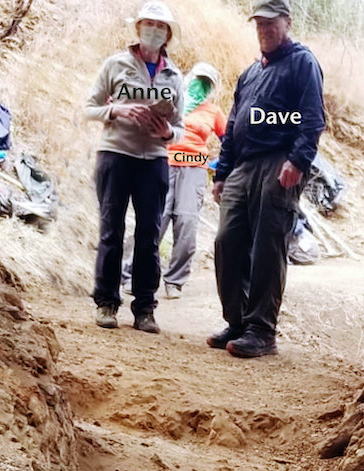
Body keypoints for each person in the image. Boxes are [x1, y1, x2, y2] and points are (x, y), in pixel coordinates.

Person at [205, 0, 324, 359]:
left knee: (268, 245)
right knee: (228, 240)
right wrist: (222, 172)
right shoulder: (250, 73)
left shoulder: (303, 62)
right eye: (259, 23)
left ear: (287, 22)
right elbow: (233, 125)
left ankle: (261, 330)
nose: (264, 29)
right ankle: (237, 321)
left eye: (271, 23)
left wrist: (298, 160)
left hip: (280, 162)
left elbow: (313, 116)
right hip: (243, 164)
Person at [82, 2, 186, 333]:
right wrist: (118, 112)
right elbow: (89, 107)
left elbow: (181, 126)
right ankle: (106, 303)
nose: (153, 30)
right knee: (111, 229)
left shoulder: (174, 75)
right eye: (148, 24)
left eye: (160, 26)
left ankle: (144, 308)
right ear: (138, 27)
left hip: (154, 159)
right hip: (115, 154)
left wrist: (167, 132)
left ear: (168, 34)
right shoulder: (116, 65)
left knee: (149, 234)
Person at [121, 61, 226, 300]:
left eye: (206, 83)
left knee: (187, 225)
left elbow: (228, 139)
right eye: (198, 80)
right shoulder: (171, 101)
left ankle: (174, 280)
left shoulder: (214, 112)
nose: (200, 85)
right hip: (164, 164)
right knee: (153, 220)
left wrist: (220, 164)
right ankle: (130, 274)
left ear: (212, 88)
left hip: (194, 170)